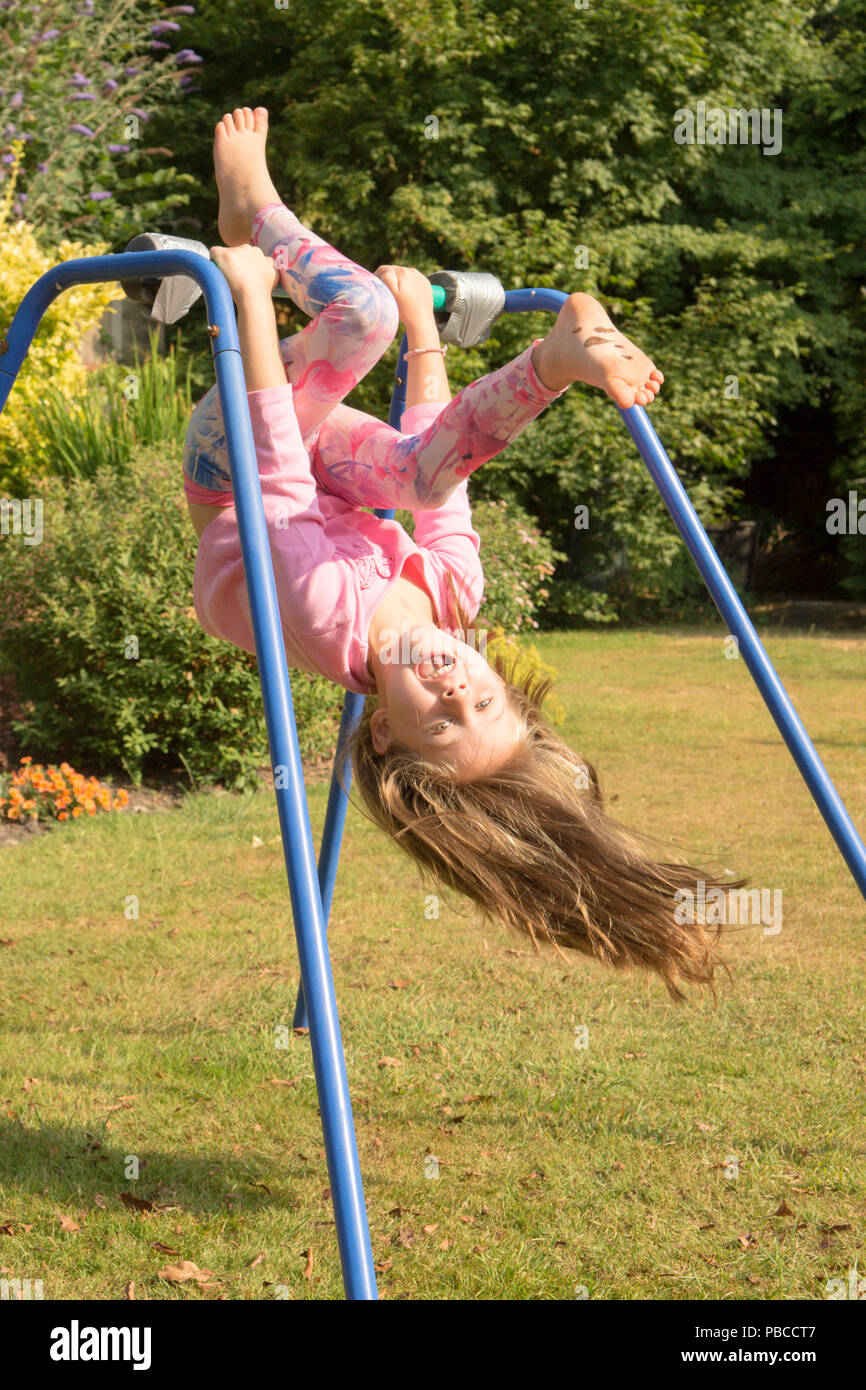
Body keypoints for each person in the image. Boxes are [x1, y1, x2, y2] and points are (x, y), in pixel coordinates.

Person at [184, 107, 735, 1000]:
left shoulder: (323, 615)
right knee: (423, 473)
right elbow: (437, 470)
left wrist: (249, 298)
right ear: (496, 678)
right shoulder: (454, 593)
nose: (453, 689)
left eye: (440, 723)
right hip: (326, 468)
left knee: (358, 315)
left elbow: (272, 475)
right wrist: (424, 332)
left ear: (385, 736)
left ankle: (252, 209)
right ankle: (553, 361)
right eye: (481, 700)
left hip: (235, 465)